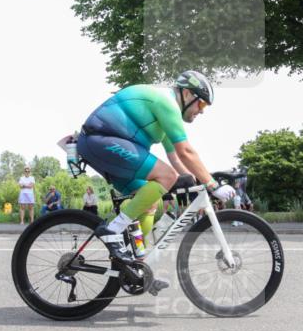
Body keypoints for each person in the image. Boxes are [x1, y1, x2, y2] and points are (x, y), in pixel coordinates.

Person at [77, 70, 235, 264]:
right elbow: (186, 151)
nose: (202, 110)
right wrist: (212, 185)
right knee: (166, 176)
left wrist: (195, 181)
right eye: (201, 103)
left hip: (105, 145)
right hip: (100, 139)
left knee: (149, 200)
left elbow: (177, 157)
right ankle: (113, 230)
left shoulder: (166, 114)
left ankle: (137, 265)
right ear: (187, 94)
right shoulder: (166, 103)